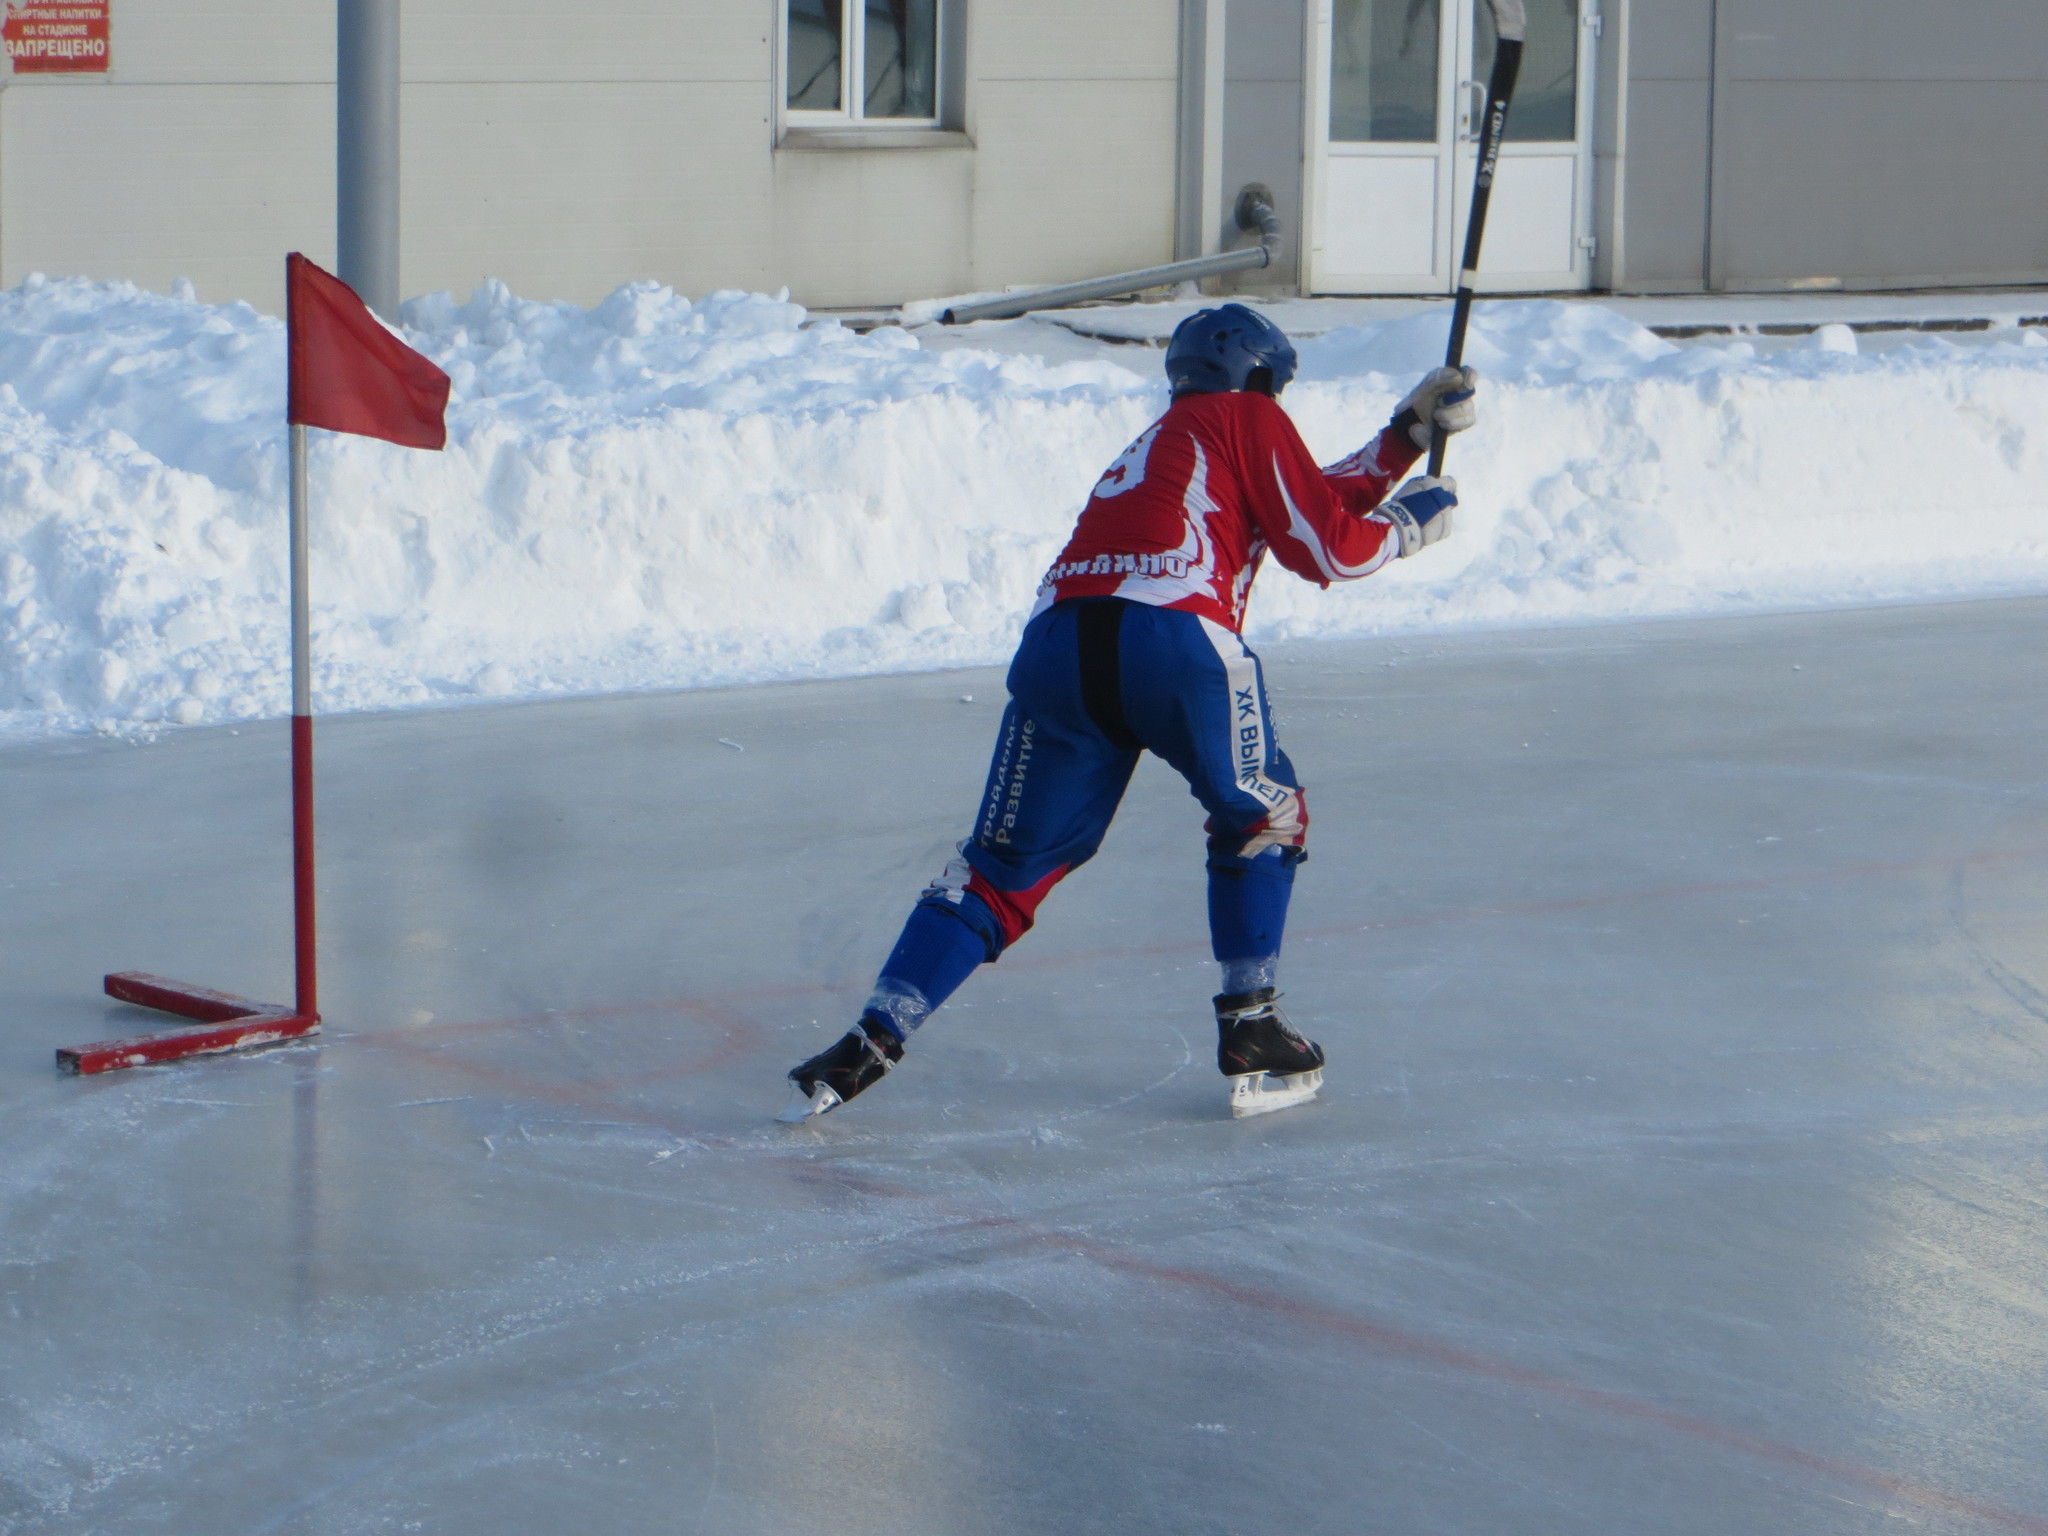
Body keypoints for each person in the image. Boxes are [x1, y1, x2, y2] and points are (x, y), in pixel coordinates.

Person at [779, 303, 1476, 1123]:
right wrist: (1409, 524)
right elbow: (1328, 546)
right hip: (1171, 636)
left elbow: (1302, 498)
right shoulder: (1246, 416)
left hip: (1060, 646)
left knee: (999, 872)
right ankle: (1251, 1025)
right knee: (1264, 811)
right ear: (1254, 375)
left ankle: (867, 1042)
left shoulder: (1176, 440)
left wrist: (1401, 436)